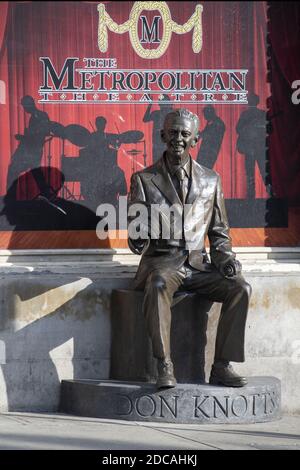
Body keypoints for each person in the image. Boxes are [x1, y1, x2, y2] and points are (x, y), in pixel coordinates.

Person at [128, 108, 251, 390]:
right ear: (162, 135)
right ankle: (163, 364)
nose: (178, 139)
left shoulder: (211, 180)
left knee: (241, 288)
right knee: (157, 283)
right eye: (173, 132)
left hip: (200, 265)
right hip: (163, 262)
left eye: (185, 133)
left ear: (196, 139)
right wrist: (138, 236)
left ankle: (221, 366)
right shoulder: (144, 180)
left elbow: (219, 232)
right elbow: (137, 238)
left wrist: (226, 259)